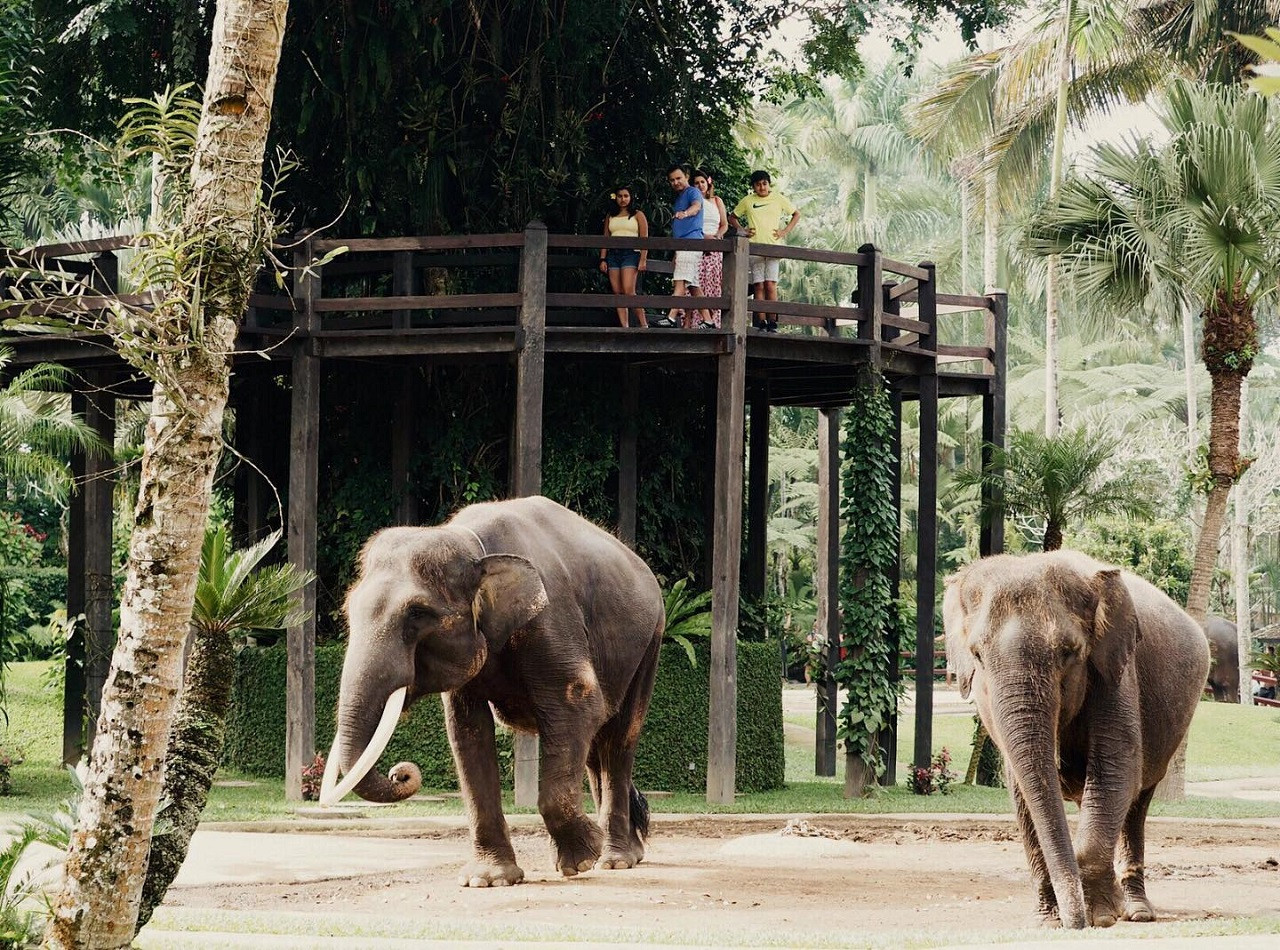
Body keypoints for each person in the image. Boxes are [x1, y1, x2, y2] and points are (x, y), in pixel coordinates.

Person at [729, 170, 800, 332]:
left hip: (773, 247)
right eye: (758, 184)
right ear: (753, 186)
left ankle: (773, 322)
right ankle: (761, 322)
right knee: (759, 285)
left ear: (769, 184)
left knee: (771, 284)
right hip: (754, 247)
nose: (762, 187)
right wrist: (742, 230)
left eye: (764, 183)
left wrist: (784, 232)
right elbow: (732, 217)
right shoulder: (748, 200)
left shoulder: (778, 198)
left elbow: (796, 214)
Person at [656, 163, 703, 328]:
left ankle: (670, 317)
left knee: (680, 281)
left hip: (690, 242)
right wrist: (676, 252)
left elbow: (697, 206)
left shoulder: (692, 192)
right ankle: (709, 320)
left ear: (687, 176)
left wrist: (685, 213)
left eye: (679, 178)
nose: (676, 182)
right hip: (683, 245)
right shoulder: (679, 198)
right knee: (693, 285)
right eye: (672, 180)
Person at [598, 186, 649, 327]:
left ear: (631, 197)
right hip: (613, 254)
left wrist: (643, 259)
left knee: (629, 290)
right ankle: (624, 327)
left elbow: (645, 238)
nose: (623, 199)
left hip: (631, 253)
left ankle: (644, 324)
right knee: (617, 292)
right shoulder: (611, 215)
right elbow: (605, 238)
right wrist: (603, 258)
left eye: (626, 196)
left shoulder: (638, 214)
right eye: (620, 196)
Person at [690, 168, 727, 329]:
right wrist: (704, 237)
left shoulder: (717, 200)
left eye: (702, 182)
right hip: (697, 242)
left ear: (708, 182)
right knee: (696, 281)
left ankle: (712, 321)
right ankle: (694, 322)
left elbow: (724, 224)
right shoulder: (693, 202)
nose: (700, 185)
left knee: (713, 282)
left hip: (715, 246)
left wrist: (718, 236)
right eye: (696, 183)